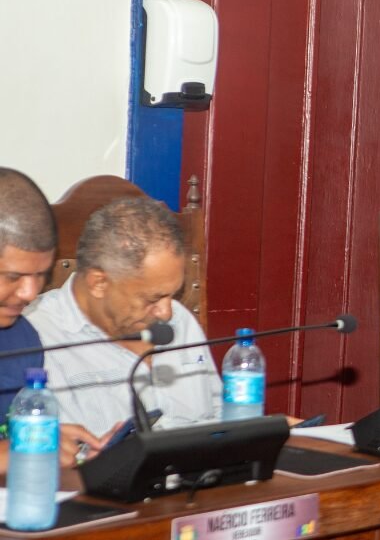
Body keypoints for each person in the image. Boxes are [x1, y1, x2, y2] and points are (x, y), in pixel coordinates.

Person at [27, 197, 222, 437]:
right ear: (99, 283)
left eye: (174, 294)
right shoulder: (36, 338)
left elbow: (220, 417)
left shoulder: (180, 320)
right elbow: (54, 451)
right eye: (153, 299)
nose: (167, 312)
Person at [0, 168, 105, 468]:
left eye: (42, 275)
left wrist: (44, 439)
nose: (30, 293)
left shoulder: (23, 338)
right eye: (13, 277)